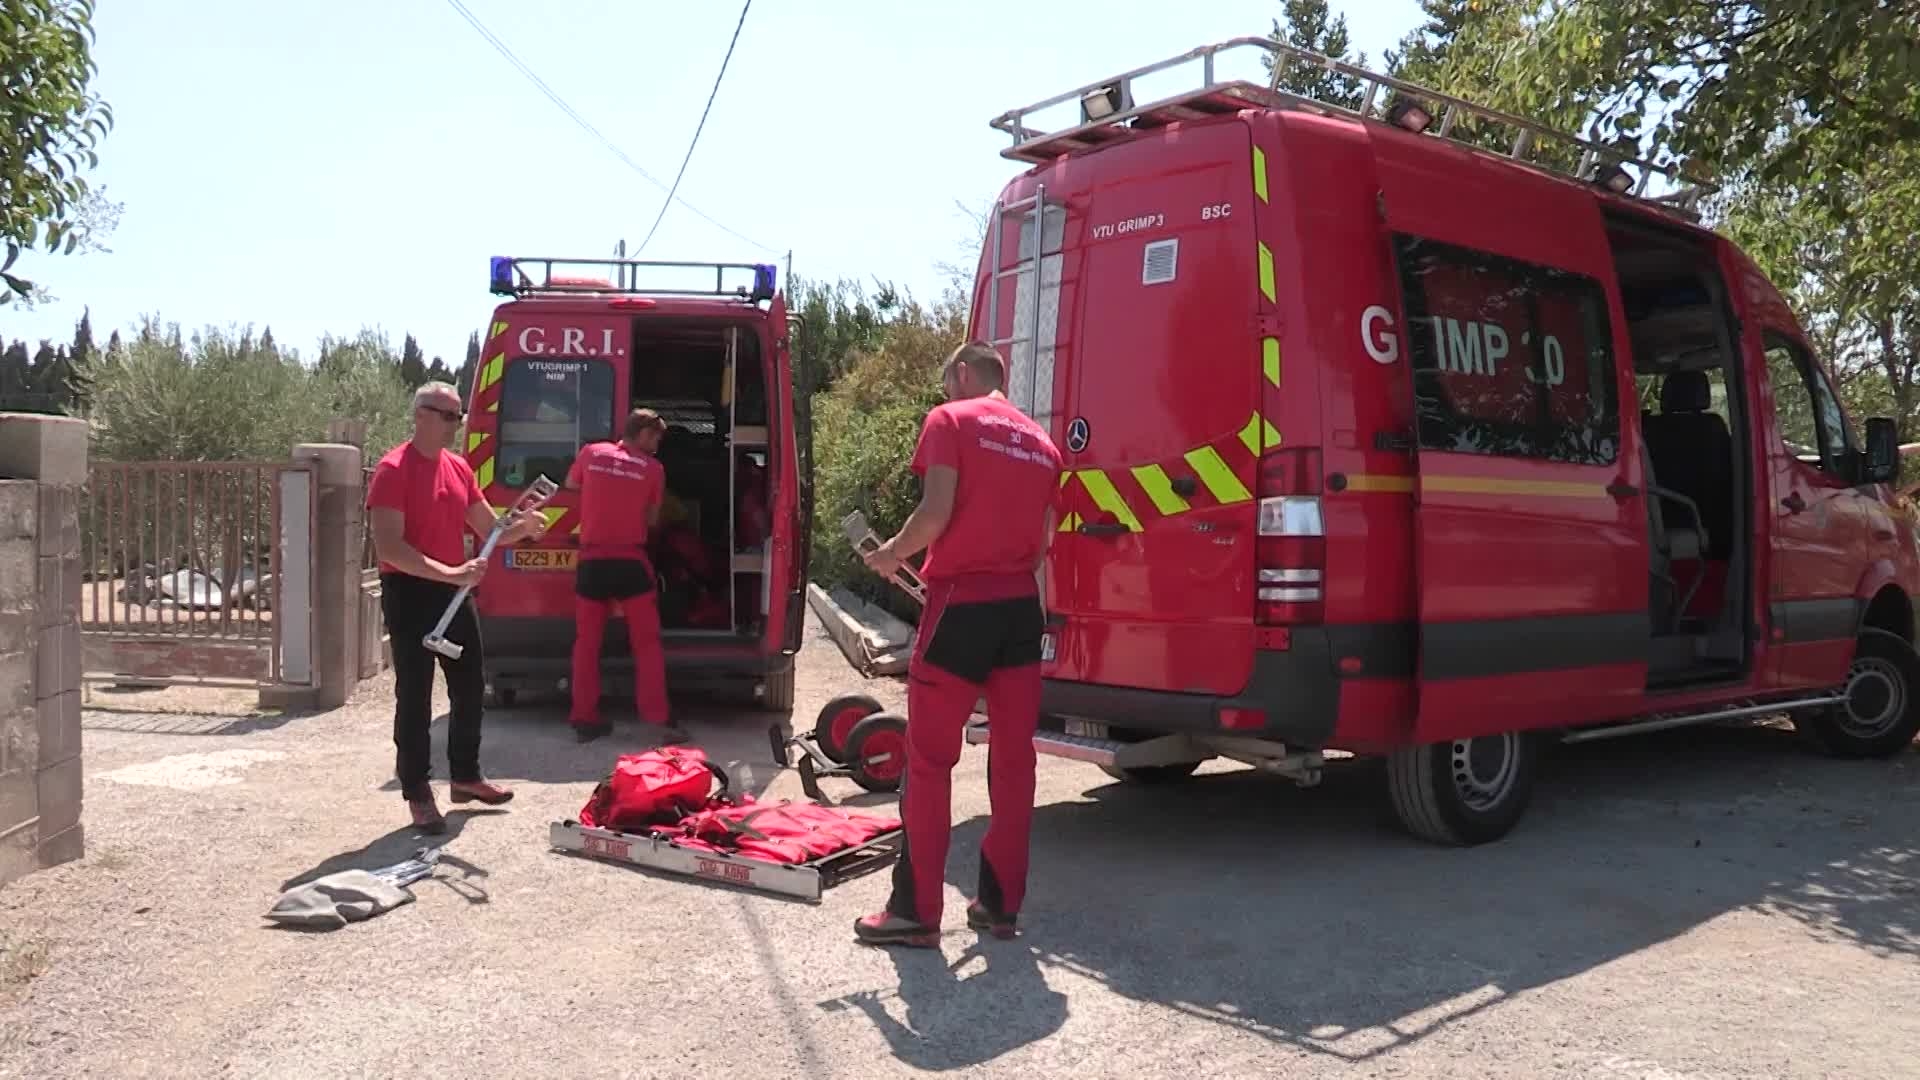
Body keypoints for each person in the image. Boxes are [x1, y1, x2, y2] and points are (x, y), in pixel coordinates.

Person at [853, 341, 1063, 948]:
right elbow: (1043, 546)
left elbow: (935, 511)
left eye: (948, 381)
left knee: (929, 759)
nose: (945, 393)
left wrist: (891, 553)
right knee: (1015, 758)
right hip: (1021, 608)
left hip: (962, 605)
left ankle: (915, 913)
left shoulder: (950, 420)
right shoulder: (1041, 443)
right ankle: (1000, 907)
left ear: (964, 373)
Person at [368, 381, 550, 834]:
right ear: (421, 416)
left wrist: (524, 528)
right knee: (414, 694)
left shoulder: (459, 468)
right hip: (411, 590)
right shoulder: (393, 470)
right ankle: (417, 791)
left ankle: (465, 777)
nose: (457, 425)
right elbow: (391, 547)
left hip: (452, 591)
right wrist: (451, 573)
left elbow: (491, 530)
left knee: (470, 686)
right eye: (449, 416)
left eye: (459, 416)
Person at [565, 407, 682, 745]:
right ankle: (657, 717)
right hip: (630, 561)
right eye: (656, 435)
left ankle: (584, 720)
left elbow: (571, 484)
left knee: (587, 644)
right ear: (642, 433)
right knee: (646, 644)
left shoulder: (590, 453)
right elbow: (651, 520)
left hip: (592, 563)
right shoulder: (653, 469)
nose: (658, 442)